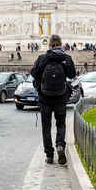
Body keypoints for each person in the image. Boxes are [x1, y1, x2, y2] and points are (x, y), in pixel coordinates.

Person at [31, 34, 76, 165]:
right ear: (61, 44)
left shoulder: (43, 58)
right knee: (61, 124)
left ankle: (49, 155)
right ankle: (60, 146)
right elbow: (72, 75)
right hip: (61, 96)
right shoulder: (66, 58)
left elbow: (34, 74)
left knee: (46, 127)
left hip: (45, 97)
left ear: (49, 45)